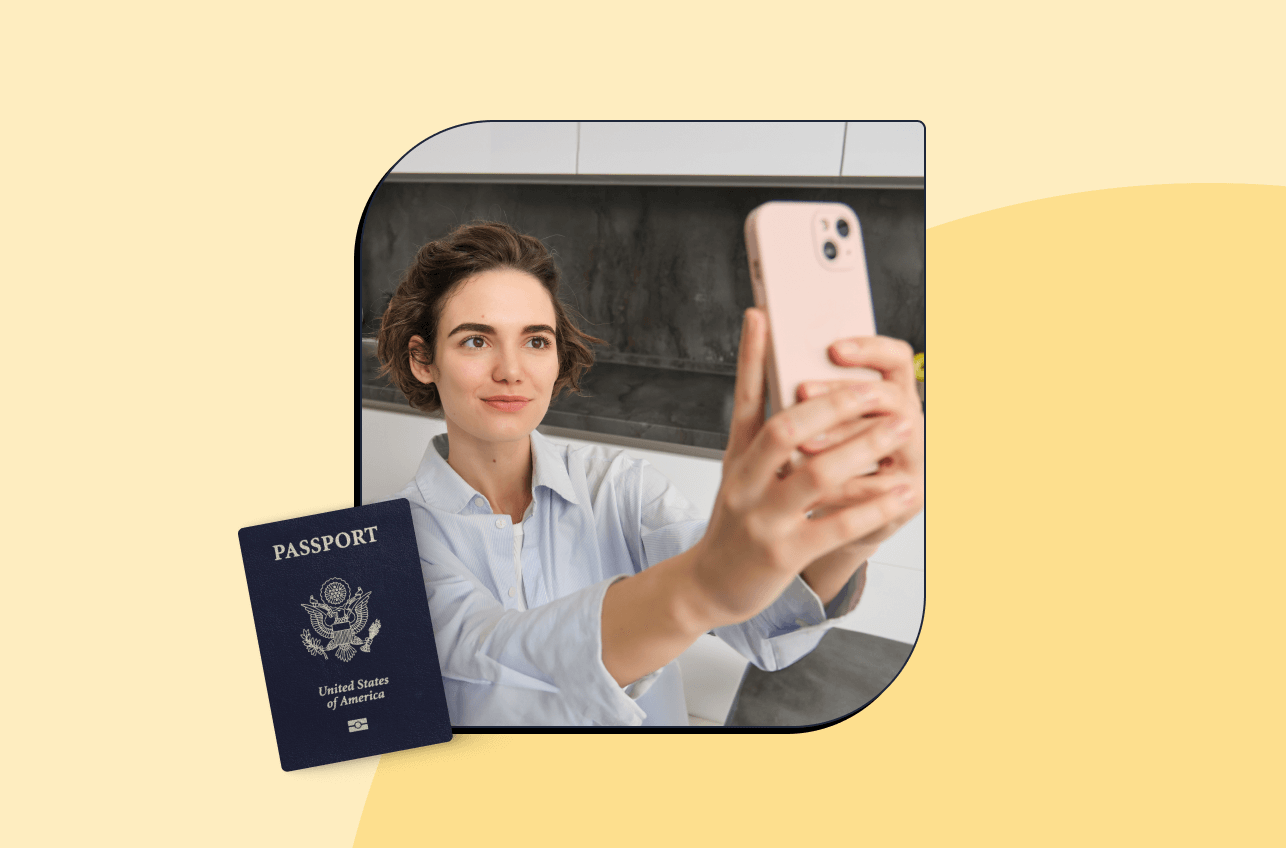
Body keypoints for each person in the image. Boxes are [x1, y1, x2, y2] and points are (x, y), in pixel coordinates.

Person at [376, 221, 924, 726]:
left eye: (536, 340)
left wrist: (851, 535)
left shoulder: (620, 488)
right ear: (424, 360)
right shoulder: (389, 548)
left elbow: (766, 629)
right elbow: (499, 665)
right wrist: (699, 588)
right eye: (476, 340)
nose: (512, 370)